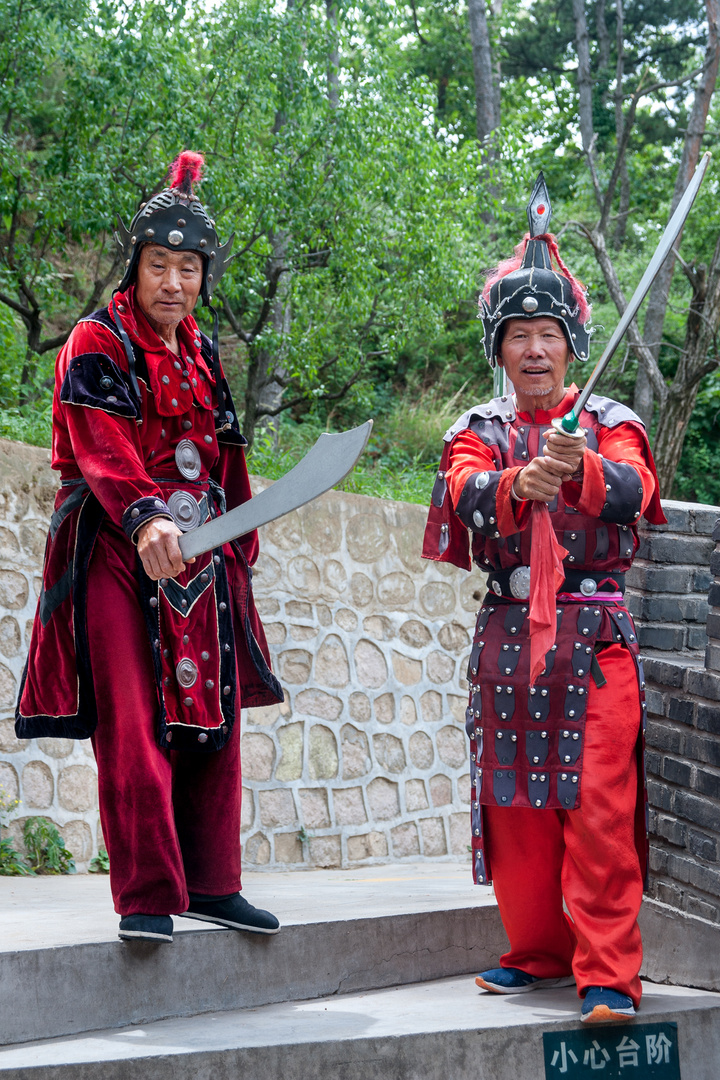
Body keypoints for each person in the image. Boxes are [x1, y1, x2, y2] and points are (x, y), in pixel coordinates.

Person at [16, 152, 284, 943]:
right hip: (114, 552)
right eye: (159, 264)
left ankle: (212, 883)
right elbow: (99, 449)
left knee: (216, 718)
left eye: (188, 267)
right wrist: (145, 518)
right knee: (132, 723)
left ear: (203, 276)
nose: (174, 281)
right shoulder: (95, 342)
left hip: (203, 561)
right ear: (134, 266)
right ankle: (145, 895)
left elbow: (227, 459)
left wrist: (240, 544)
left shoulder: (204, 357)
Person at [423, 174, 666, 1024]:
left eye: (549, 334)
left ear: (570, 345)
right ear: (499, 347)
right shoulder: (476, 430)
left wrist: (584, 471)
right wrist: (521, 480)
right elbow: (462, 494)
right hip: (507, 635)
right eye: (518, 334)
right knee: (516, 806)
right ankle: (536, 953)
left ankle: (608, 975)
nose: (534, 349)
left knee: (599, 808)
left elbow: (639, 489)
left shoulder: (609, 418)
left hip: (594, 635)